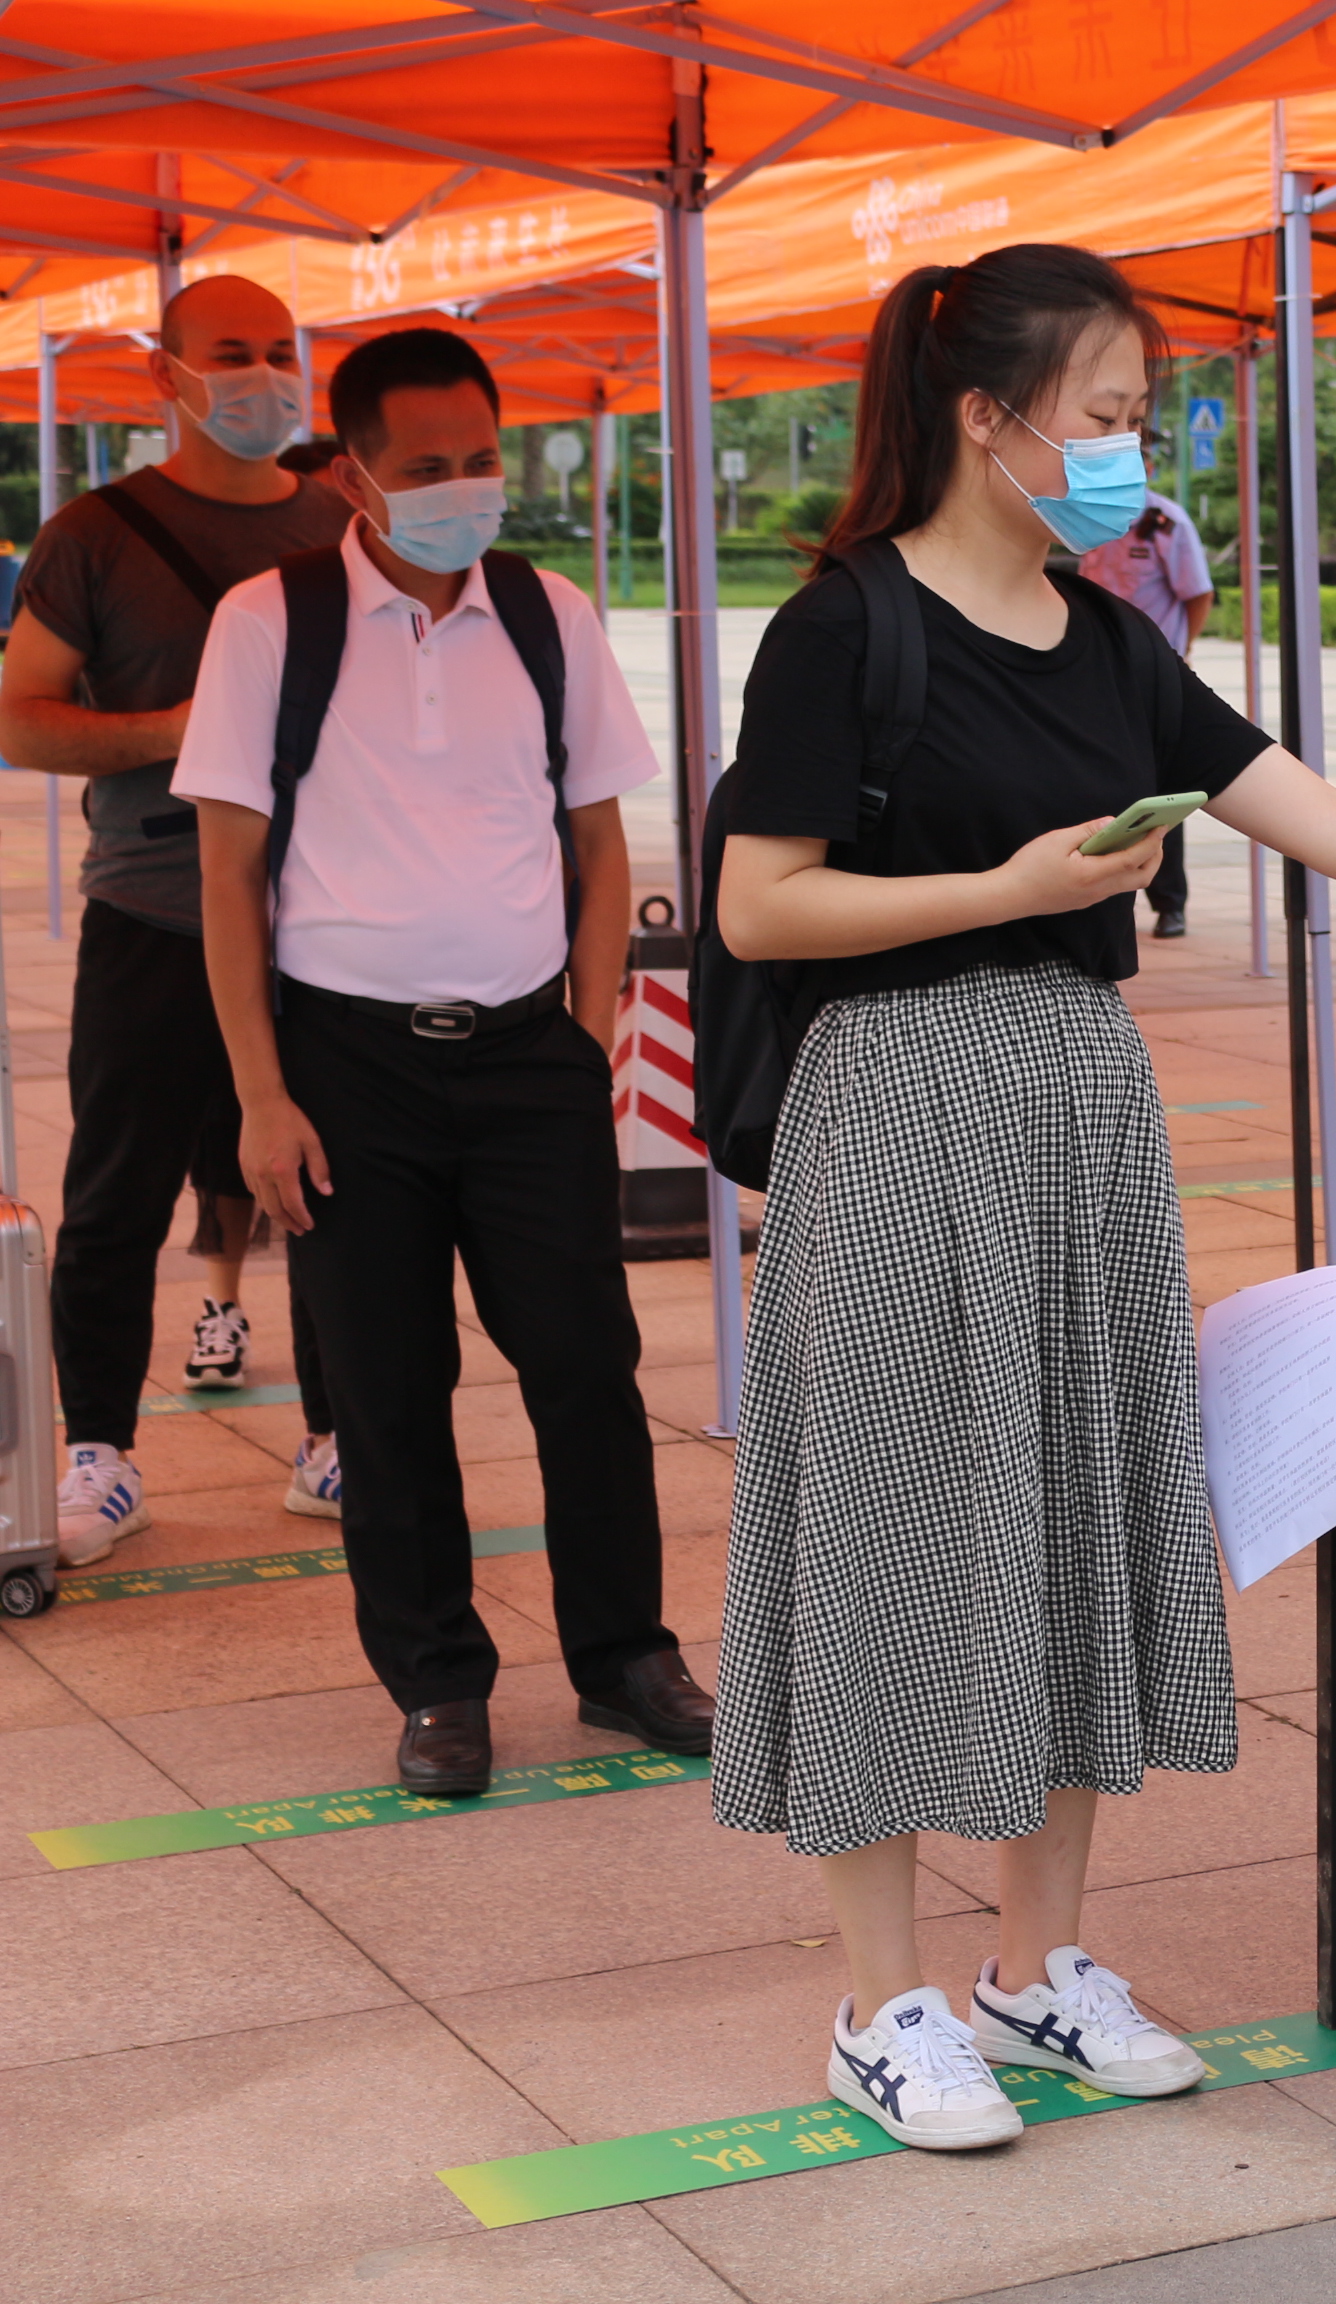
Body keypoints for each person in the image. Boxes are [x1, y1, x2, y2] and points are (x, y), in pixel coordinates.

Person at [706, 245, 1336, 2155]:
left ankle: (1037, 1963)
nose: (1126, 450)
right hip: (895, 1105)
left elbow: (1308, 808)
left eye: (1135, 415)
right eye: (1103, 413)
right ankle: (880, 1998)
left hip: (1080, 1108)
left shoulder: (1104, 638)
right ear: (985, 415)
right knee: (889, 1527)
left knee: (1075, 1507)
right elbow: (760, 904)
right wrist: (1005, 888)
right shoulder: (844, 627)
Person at [173, 326, 715, 1796]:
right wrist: (261, 1095)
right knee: (387, 1387)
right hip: (343, 1067)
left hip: (531, 1057)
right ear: (352, 476)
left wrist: (587, 1034)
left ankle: (626, 1657)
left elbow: (601, 842)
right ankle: (436, 1682)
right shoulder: (270, 623)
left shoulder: (548, 614)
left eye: (481, 459)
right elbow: (228, 875)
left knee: (585, 1366)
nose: (463, 489)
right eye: (426, 469)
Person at [0, 273, 348, 1564]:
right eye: (231, 353)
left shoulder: (341, 522)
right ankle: (98, 1450)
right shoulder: (93, 534)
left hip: (325, 920)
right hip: (152, 911)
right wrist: (184, 731)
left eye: (279, 352)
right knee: (118, 1191)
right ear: (168, 373)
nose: (262, 378)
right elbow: (22, 719)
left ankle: (338, 1437)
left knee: (334, 1186)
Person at [1075, 493, 1214, 938]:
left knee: (1162, 791)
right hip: (1093, 673)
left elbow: (1198, 594)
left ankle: (1170, 903)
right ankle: (1097, 901)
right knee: (1094, 786)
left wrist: (1179, 652)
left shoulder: (1165, 523)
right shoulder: (1084, 513)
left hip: (1150, 678)